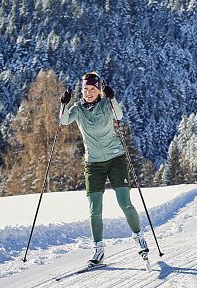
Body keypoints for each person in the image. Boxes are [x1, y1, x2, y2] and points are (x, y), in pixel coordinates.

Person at [59, 71, 149, 266]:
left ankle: (139, 238)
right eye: (85, 89)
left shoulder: (106, 104)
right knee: (94, 209)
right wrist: (64, 104)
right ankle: (98, 250)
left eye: (92, 89)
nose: (89, 92)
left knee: (125, 203)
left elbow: (119, 115)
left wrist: (112, 98)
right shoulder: (77, 109)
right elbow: (64, 121)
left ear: (99, 90)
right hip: (93, 163)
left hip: (116, 158)